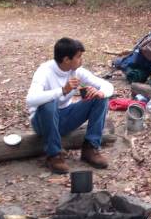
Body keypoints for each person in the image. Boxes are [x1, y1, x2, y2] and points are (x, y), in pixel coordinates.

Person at [26, 37, 114, 174]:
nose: (81, 60)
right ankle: (54, 155)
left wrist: (100, 92)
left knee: (101, 98)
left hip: (65, 117)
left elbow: (107, 85)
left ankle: (90, 148)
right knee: (50, 102)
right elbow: (30, 99)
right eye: (78, 57)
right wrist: (62, 90)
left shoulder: (77, 71)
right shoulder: (44, 71)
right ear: (66, 59)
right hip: (42, 122)